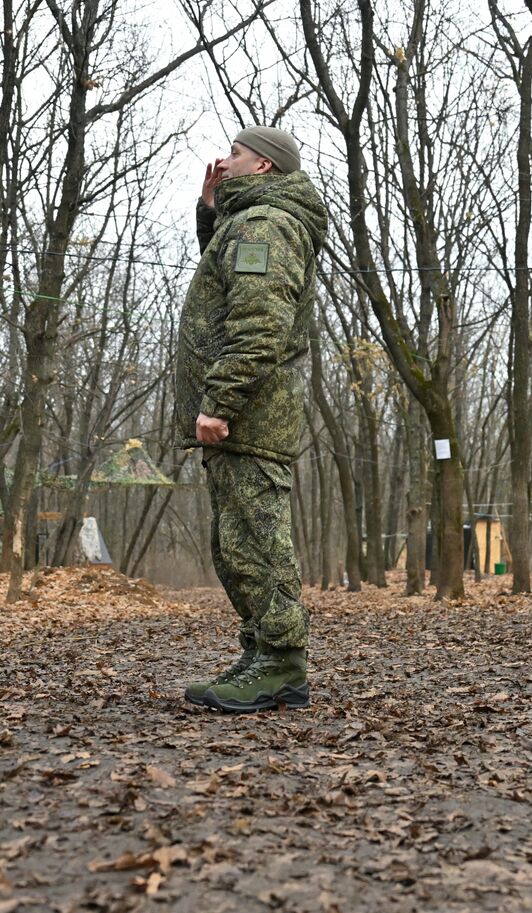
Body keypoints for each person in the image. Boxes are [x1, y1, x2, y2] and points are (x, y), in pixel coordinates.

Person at [178, 127, 327, 713]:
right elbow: (226, 281)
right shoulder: (248, 223)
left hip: (250, 417)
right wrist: (211, 209)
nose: (224, 159)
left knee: (258, 543)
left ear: (264, 165)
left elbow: (259, 323)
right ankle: (260, 651)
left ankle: (282, 665)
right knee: (235, 544)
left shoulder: (266, 225)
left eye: (235, 153)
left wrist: (219, 403)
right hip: (244, 417)